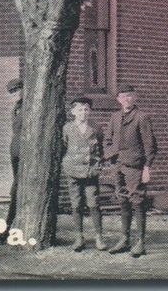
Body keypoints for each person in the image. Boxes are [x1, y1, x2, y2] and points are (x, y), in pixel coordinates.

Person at [106, 85, 160, 257]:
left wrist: (147, 168)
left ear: (135, 97)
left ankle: (140, 242)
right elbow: (108, 140)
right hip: (118, 166)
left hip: (135, 167)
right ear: (118, 99)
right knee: (123, 202)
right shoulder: (114, 117)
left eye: (130, 96)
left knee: (137, 203)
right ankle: (124, 239)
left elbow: (150, 145)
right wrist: (111, 157)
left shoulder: (142, 117)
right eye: (123, 96)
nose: (126, 99)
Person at [61, 97, 108, 252]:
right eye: (80, 109)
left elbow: (101, 148)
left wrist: (97, 165)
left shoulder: (96, 128)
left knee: (94, 204)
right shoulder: (67, 128)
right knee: (76, 204)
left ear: (90, 111)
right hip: (73, 170)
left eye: (86, 109)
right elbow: (64, 146)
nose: (83, 113)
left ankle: (99, 237)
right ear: (73, 112)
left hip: (90, 172)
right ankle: (79, 237)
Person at [4, 78, 23, 227]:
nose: (16, 94)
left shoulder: (28, 106)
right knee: (16, 184)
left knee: (17, 187)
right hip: (15, 147)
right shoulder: (17, 106)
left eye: (17, 90)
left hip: (24, 148)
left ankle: (9, 225)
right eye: (13, 92)